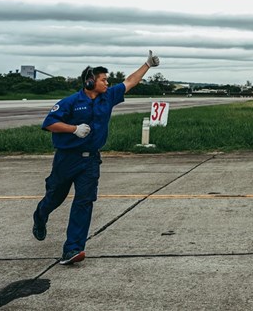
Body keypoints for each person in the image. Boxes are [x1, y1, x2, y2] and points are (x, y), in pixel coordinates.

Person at [32, 50, 160, 265]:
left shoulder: (107, 97)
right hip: (67, 158)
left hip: (90, 160)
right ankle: (40, 215)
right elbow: (49, 123)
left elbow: (130, 81)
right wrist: (73, 129)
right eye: (103, 80)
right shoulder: (70, 102)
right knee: (55, 197)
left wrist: (147, 65)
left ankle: (72, 249)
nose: (107, 83)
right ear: (90, 82)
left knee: (84, 201)